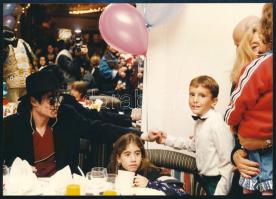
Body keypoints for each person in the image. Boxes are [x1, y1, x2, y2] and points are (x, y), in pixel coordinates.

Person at [2, 70, 156, 177]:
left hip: (64, 187)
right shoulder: (11, 126)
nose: (57, 103)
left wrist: (142, 134)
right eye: (51, 98)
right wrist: (15, 169)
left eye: (59, 97)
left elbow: (99, 129)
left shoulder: (66, 117)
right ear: (34, 101)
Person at [149, 76, 235, 195]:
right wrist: (166, 139)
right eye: (192, 94)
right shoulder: (200, 121)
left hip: (216, 182)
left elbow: (228, 163)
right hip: (203, 178)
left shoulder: (217, 125)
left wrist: (220, 193)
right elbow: (194, 145)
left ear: (214, 101)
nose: (195, 100)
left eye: (202, 95)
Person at [225, 3, 272, 195]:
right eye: (237, 45)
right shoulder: (239, 82)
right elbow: (236, 134)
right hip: (248, 166)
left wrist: (265, 143)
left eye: (256, 45)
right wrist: (236, 155)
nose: (241, 51)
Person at [108, 133, 187, 196]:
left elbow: (181, 193)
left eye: (137, 153)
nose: (133, 159)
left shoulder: (152, 172)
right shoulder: (114, 173)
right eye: (127, 154)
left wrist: (150, 184)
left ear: (142, 155)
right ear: (118, 159)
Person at [3, 26, 38, 102]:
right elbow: (33, 59)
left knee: (13, 108)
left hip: (12, 83)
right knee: (24, 108)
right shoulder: (24, 43)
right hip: (26, 81)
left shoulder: (4, 45)